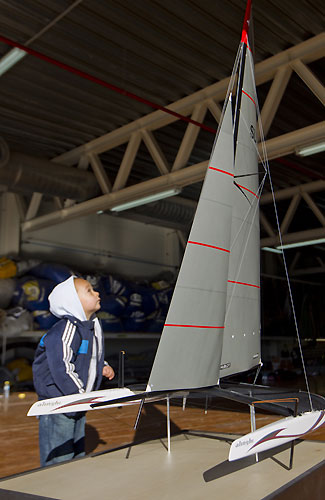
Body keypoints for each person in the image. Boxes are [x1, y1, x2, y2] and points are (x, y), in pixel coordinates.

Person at [32, 276, 115, 466]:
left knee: (77, 452)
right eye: (89, 291)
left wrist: (102, 366)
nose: (97, 293)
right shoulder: (66, 329)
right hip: (59, 403)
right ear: (73, 301)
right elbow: (62, 366)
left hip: (76, 402)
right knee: (59, 456)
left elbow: (89, 356)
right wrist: (79, 394)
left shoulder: (90, 326)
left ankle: (73, 481)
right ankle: (55, 487)